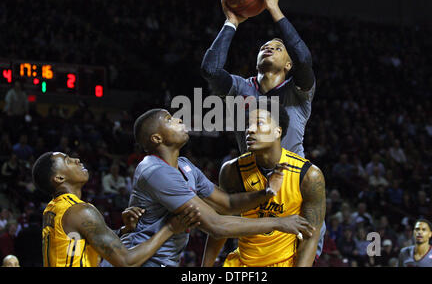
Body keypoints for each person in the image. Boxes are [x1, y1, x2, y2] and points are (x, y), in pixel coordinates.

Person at [200, 0, 325, 258]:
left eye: (278, 47)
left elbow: (305, 59)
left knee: (298, 256)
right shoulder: (241, 88)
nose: (269, 46)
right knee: (247, 258)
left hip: (293, 185)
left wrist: (274, 9)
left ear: (288, 66)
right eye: (264, 46)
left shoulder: (299, 91)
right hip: (248, 183)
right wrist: (231, 22)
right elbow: (210, 70)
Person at [101, 108, 315, 267]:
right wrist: (279, 223)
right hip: (139, 259)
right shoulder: (155, 171)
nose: (178, 119)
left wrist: (266, 193)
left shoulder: (185, 165)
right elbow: (216, 224)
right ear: (157, 138)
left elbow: (228, 203)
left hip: (162, 260)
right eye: (169, 119)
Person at [202, 101, 325, 267]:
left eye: (259, 123)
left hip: (285, 262)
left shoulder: (309, 176)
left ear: (277, 131)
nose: (250, 130)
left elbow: (311, 237)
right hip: (242, 263)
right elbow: (221, 224)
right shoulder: (232, 171)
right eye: (247, 125)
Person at [31, 151, 201, 267]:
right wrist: (169, 228)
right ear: (59, 178)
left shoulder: (53, 209)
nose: (76, 160)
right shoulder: (79, 211)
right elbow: (127, 262)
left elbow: (79, 243)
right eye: (68, 161)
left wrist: (123, 230)